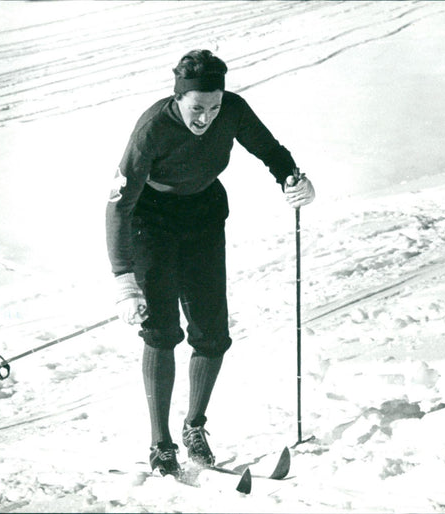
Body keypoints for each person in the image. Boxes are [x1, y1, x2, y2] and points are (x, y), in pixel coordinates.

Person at [105, 49, 315, 477]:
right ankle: (160, 443)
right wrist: (123, 278)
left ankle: (194, 427)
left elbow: (270, 150)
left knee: (212, 333)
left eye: (213, 107)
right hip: (152, 222)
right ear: (178, 98)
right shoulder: (151, 130)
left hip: (202, 217)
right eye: (197, 108)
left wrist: (294, 179)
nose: (205, 118)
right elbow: (118, 206)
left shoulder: (232, 111)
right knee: (162, 332)